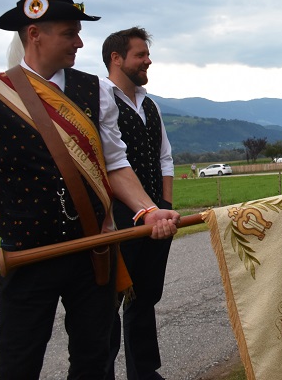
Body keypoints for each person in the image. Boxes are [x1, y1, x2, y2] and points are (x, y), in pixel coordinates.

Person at [0, 0, 180, 379]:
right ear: (34, 33)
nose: (81, 42)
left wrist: (148, 208)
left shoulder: (97, 91)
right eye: (70, 33)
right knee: (19, 364)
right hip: (27, 258)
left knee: (94, 361)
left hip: (93, 252)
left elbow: (116, 164)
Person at [102, 27, 174, 380]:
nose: (148, 60)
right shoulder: (101, 98)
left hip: (156, 214)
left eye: (147, 54)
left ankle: (143, 372)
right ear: (116, 59)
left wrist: (164, 203)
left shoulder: (151, 103)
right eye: (140, 54)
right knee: (111, 300)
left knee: (145, 296)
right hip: (118, 218)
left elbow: (165, 158)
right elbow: (108, 162)